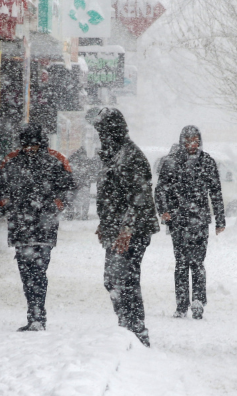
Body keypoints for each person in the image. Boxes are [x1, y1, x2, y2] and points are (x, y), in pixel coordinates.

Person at [87, 107, 160, 347]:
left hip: (133, 230)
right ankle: (127, 324)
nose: (100, 135)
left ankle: (136, 330)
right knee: (113, 279)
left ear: (113, 131)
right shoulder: (112, 154)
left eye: (103, 131)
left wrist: (126, 230)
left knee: (125, 279)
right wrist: (104, 223)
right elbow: (109, 196)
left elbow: (138, 197)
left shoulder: (131, 156)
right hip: (116, 228)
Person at [0, 124, 76, 332]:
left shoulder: (55, 160)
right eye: (27, 145)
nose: (30, 149)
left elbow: (69, 187)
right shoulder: (11, 161)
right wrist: (5, 204)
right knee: (26, 272)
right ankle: (35, 314)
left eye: (34, 145)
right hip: (21, 225)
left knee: (38, 271)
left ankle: (37, 315)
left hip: (44, 225)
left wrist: (58, 204)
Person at [155, 126, 225, 319]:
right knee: (181, 263)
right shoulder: (171, 162)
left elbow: (216, 192)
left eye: (195, 140)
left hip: (200, 220)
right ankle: (181, 304)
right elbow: (160, 190)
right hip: (178, 221)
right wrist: (164, 211)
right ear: (181, 141)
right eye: (187, 140)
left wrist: (220, 219)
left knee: (198, 262)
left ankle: (198, 301)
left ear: (200, 141)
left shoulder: (207, 162)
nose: (191, 144)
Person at [65, 147, 94, 220]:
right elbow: (89, 174)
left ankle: (70, 215)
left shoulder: (72, 161)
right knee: (84, 201)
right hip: (83, 185)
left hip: (74, 185)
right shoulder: (87, 162)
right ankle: (83, 215)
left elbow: (69, 173)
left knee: (72, 201)